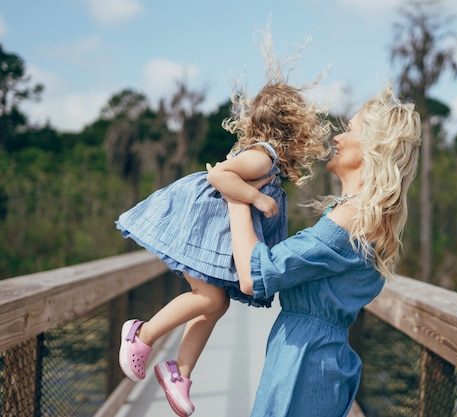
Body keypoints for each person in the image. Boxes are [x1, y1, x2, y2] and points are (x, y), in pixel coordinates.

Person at [115, 34, 331, 417]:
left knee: (216, 305)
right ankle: (141, 334)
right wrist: (259, 199)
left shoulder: (269, 163)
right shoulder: (263, 157)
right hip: (199, 228)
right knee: (212, 299)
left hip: (212, 235)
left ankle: (178, 371)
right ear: (289, 129)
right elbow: (220, 177)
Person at [225, 85, 421, 417]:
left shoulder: (352, 218)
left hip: (306, 362)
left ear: (373, 148)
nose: (338, 138)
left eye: (350, 130)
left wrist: (235, 195)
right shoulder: (356, 214)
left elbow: (255, 275)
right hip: (310, 355)